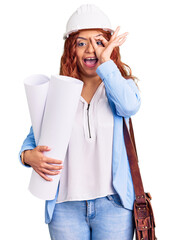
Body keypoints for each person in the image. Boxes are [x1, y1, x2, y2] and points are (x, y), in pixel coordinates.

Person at [19, 4, 141, 240]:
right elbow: (34, 137)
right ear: (71, 49)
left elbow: (129, 106)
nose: (91, 50)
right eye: (81, 43)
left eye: (99, 42)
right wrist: (27, 156)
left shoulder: (119, 87)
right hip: (65, 208)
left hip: (114, 206)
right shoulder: (59, 91)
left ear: (110, 48)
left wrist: (107, 65)